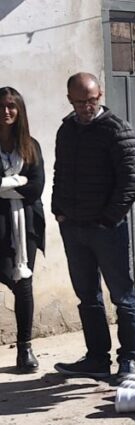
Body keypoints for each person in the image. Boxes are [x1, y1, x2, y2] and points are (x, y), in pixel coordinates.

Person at [52, 73, 135, 380]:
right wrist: (58, 209)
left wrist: (108, 219)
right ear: (70, 100)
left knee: (122, 296)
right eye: (80, 102)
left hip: (107, 229)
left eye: (92, 100)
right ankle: (96, 360)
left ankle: (128, 360)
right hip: (74, 228)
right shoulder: (66, 131)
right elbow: (59, 171)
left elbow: (131, 182)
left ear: (100, 94)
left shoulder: (116, 129)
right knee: (88, 297)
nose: (87, 107)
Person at [0, 87, 45, 371]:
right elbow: (26, 186)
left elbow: (36, 188)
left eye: (11, 107)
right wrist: (19, 183)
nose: (6, 112)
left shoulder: (31, 146)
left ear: (19, 111)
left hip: (23, 226)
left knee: (23, 286)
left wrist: (4, 185)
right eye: (1, 106)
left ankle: (25, 349)